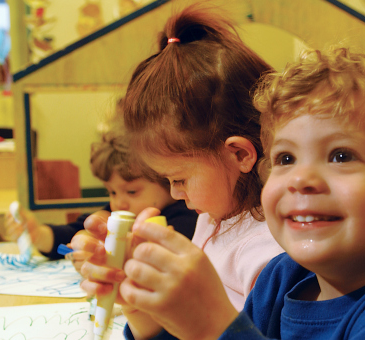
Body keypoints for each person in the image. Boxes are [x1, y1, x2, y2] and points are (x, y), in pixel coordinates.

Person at [85, 45, 365, 339]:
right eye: (286, 158)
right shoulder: (283, 278)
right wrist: (146, 313)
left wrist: (212, 326)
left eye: (341, 155)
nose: (300, 178)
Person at [76, 4, 285, 338]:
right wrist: (139, 306)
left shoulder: (271, 257)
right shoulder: (214, 218)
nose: (174, 193)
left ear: (239, 154)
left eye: (179, 178)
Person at [4, 113, 198, 264]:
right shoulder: (116, 213)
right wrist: (39, 235)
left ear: (168, 181)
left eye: (132, 192)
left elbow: (154, 258)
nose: (118, 202)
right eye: (112, 192)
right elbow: (73, 233)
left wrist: (102, 252)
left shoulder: (185, 219)